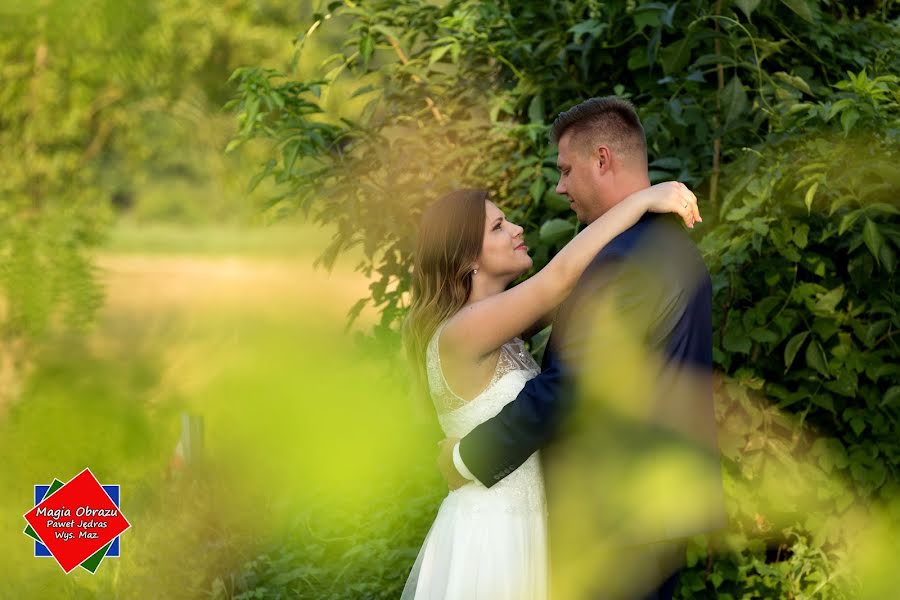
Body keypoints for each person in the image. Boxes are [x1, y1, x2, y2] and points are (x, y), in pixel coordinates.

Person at [435, 97, 726, 600]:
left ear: (603, 159)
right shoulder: (662, 241)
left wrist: (466, 458)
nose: (560, 186)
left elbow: (572, 387)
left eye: (566, 169)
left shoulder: (625, 259)